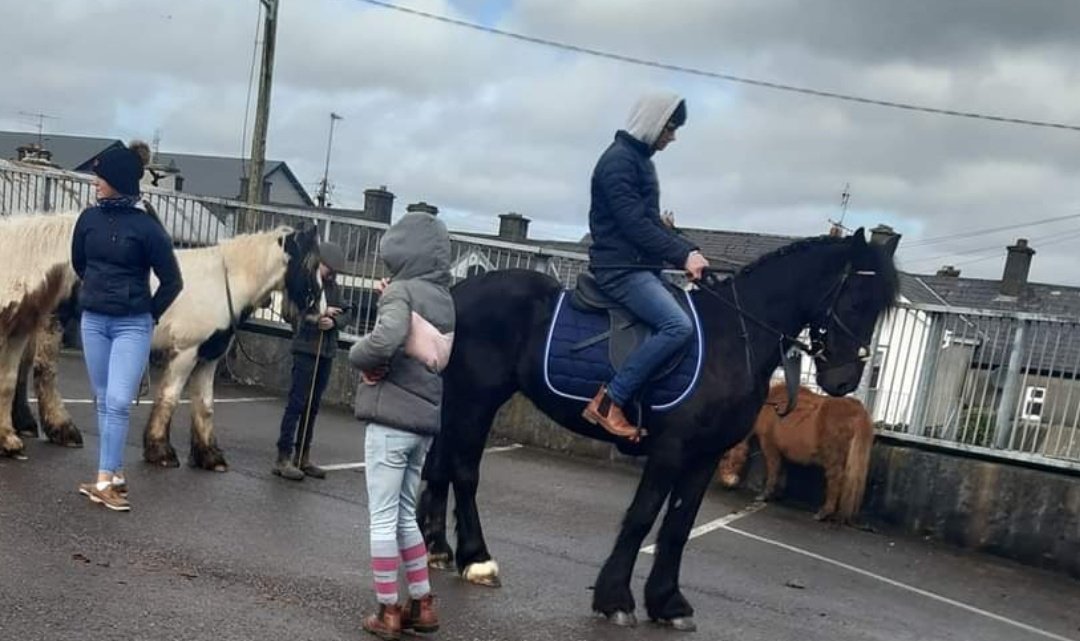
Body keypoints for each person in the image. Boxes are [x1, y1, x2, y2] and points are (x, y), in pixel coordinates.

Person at [349, 210, 455, 639]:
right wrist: (393, 296)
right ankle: (423, 604)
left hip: (390, 419)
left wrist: (358, 355)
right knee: (405, 516)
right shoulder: (444, 298)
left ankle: (388, 609)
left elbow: (387, 338)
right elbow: (420, 337)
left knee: (381, 517)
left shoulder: (401, 292)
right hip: (423, 424)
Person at [583, 91, 710, 440]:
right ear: (654, 123)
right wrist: (682, 256)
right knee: (677, 326)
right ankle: (610, 400)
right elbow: (635, 225)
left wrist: (689, 248)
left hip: (639, 266)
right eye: (671, 128)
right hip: (620, 269)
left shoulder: (639, 161)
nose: (673, 137)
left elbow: (651, 221)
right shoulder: (618, 163)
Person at [73, 141, 184, 512]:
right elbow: (79, 263)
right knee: (104, 398)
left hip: (132, 324)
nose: (95, 183)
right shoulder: (88, 220)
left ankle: (105, 480)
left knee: (119, 401)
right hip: (94, 320)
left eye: (100, 178)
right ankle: (115, 474)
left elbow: (172, 281)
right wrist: (97, 290)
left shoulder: (147, 228)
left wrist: (149, 314)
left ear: (118, 179)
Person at [273, 241, 351, 481]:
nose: (333, 273)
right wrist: (318, 318)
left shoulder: (333, 287)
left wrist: (334, 322)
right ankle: (283, 457)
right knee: (296, 403)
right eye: (330, 268)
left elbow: (347, 312)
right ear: (320, 262)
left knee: (313, 406)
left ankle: (303, 456)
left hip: (325, 352)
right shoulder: (303, 284)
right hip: (306, 350)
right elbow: (291, 313)